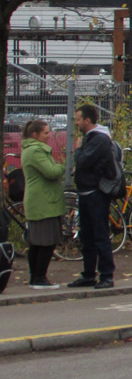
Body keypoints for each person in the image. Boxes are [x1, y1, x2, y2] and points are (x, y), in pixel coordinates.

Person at [69, 103, 115, 290]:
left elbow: (83, 161)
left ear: (87, 120)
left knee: (99, 234)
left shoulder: (98, 140)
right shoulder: (91, 138)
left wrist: (78, 149)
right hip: (87, 192)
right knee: (87, 235)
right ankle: (88, 274)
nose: (77, 123)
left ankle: (106, 275)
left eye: (79, 119)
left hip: (95, 194)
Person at [20, 119, 66, 289]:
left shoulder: (31, 150)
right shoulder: (35, 151)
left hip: (40, 200)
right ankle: (39, 277)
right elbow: (51, 171)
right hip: (43, 201)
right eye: (46, 133)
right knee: (46, 241)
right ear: (35, 135)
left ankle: (36, 277)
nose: (49, 136)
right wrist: (63, 167)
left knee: (38, 242)